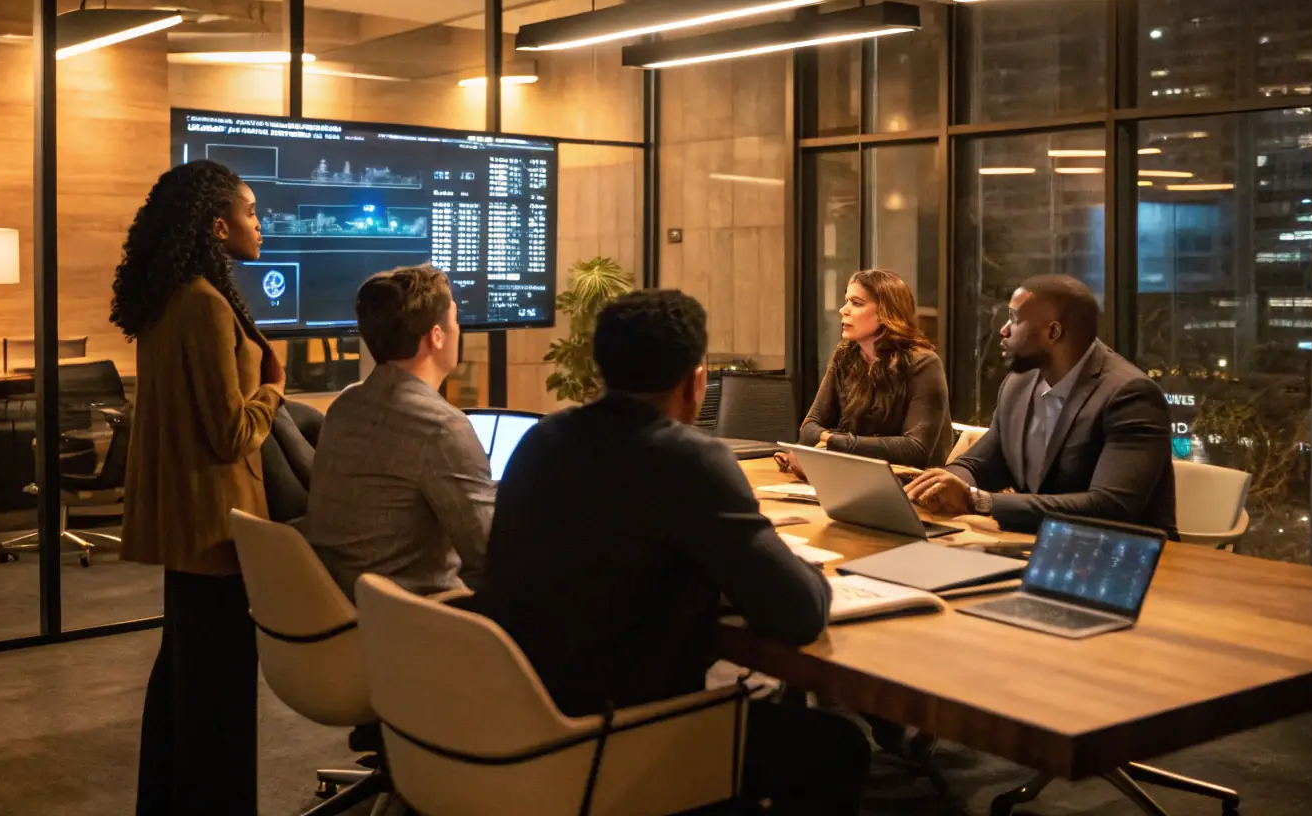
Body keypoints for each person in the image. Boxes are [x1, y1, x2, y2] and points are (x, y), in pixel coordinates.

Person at [473, 289, 870, 814]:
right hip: (616, 737)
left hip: (519, 714)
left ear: (602, 369)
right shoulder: (690, 459)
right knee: (839, 744)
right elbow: (798, 613)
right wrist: (808, 573)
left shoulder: (544, 439)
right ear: (695, 381)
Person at [113, 159, 285, 816]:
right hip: (219, 530)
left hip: (180, 526)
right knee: (219, 703)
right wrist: (273, 387)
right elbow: (229, 434)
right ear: (217, 225)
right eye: (249, 213)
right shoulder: (208, 308)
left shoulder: (167, 301)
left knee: (181, 690)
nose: (258, 225)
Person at [906, 274, 1176, 534]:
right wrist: (938, 487)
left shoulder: (1130, 395)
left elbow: (1110, 507)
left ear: (1053, 332)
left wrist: (978, 500)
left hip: (1131, 562)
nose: (1003, 330)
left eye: (1014, 318)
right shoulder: (1018, 384)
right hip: (1036, 546)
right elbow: (977, 466)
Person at [303, 264, 495, 599]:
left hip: (335, 609)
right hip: (409, 621)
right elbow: (489, 550)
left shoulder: (345, 405)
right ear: (436, 336)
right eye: (455, 320)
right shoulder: (442, 427)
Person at [776, 268, 952, 476]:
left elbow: (915, 449)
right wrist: (831, 442)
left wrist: (831, 441)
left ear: (887, 312)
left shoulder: (923, 363)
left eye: (856, 303)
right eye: (846, 301)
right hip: (853, 476)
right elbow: (809, 428)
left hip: (910, 487)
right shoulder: (845, 354)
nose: (844, 310)